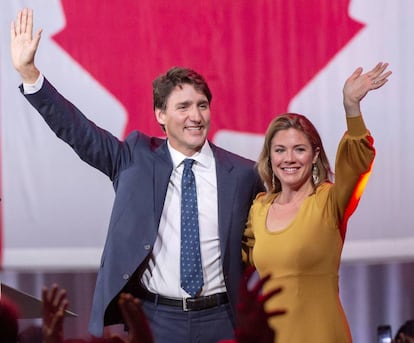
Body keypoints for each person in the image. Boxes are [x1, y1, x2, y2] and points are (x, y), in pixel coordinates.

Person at [10, 8, 265, 342]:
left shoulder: (242, 173)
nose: (196, 116)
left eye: (202, 105)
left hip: (222, 317)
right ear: (160, 114)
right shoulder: (135, 157)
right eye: (183, 107)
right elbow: (77, 131)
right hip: (156, 318)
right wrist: (31, 75)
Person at [242, 62, 392, 342]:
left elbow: (357, 164)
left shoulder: (328, 201)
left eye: (299, 149)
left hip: (322, 334)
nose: (289, 158)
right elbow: (231, 261)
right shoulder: (259, 208)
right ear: (269, 157)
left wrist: (351, 107)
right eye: (280, 150)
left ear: (314, 155)